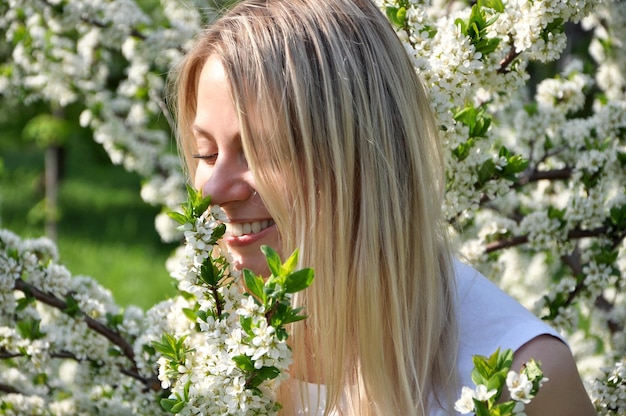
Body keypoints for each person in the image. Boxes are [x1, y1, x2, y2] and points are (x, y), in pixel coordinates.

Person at [171, 0, 597, 414]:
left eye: (263, 151)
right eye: (206, 154)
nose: (214, 189)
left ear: (362, 161)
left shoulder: (524, 380)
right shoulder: (215, 336)